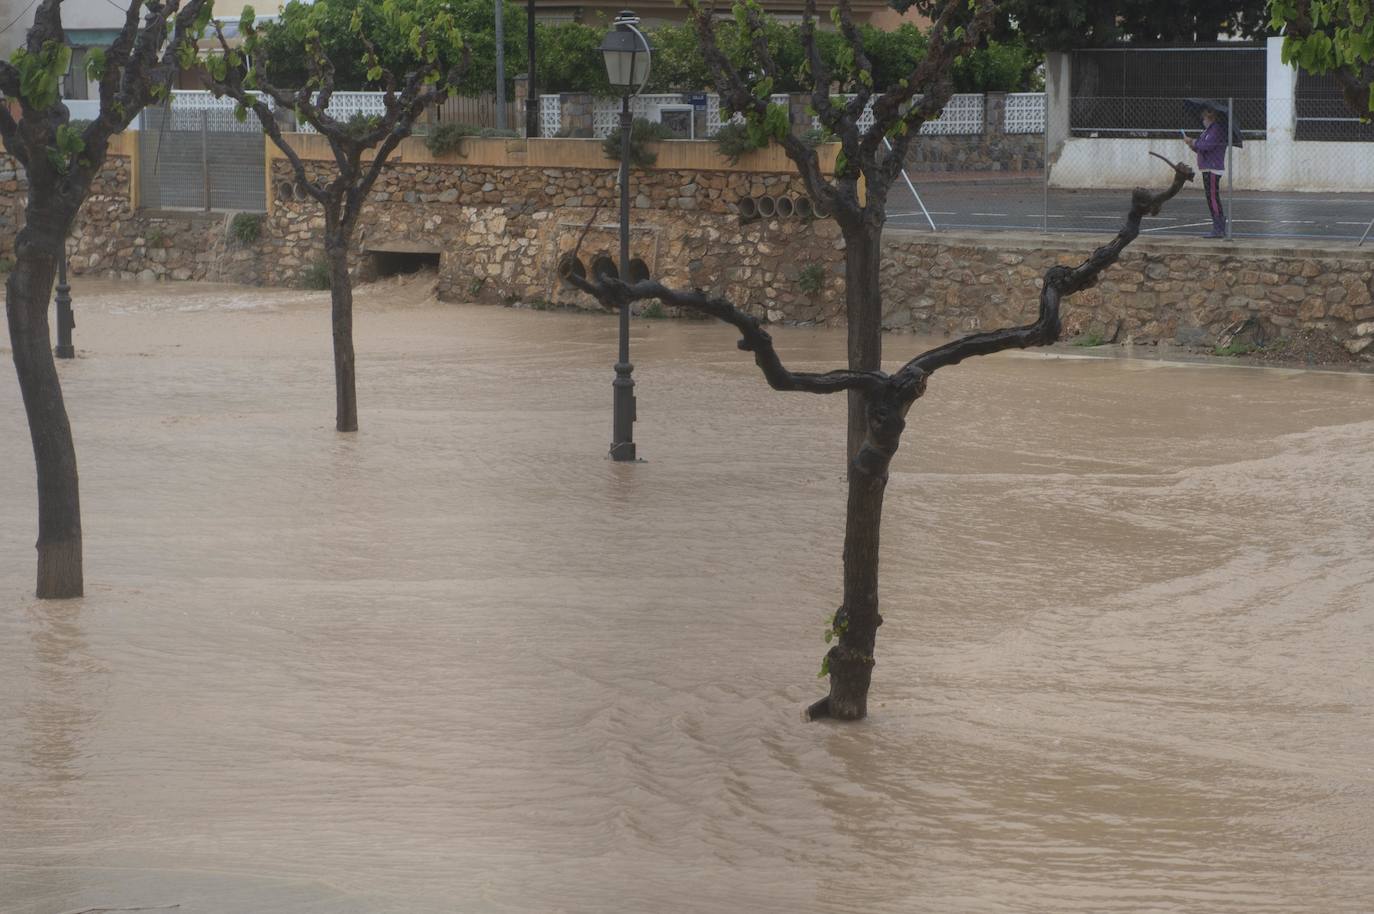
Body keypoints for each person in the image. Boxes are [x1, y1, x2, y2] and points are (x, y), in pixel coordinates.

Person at [1184, 107, 1228, 238]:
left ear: (1210, 117)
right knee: (1211, 198)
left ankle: (1219, 228)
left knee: (1213, 198)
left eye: (1204, 118)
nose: (1203, 120)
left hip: (1213, 168)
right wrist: (1192, 145)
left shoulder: (1216, 130)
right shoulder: (1208, 131)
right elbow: (1201, 148)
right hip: (1207, 167)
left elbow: (1207, 145)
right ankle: (1218, 226)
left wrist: (1193, 142)